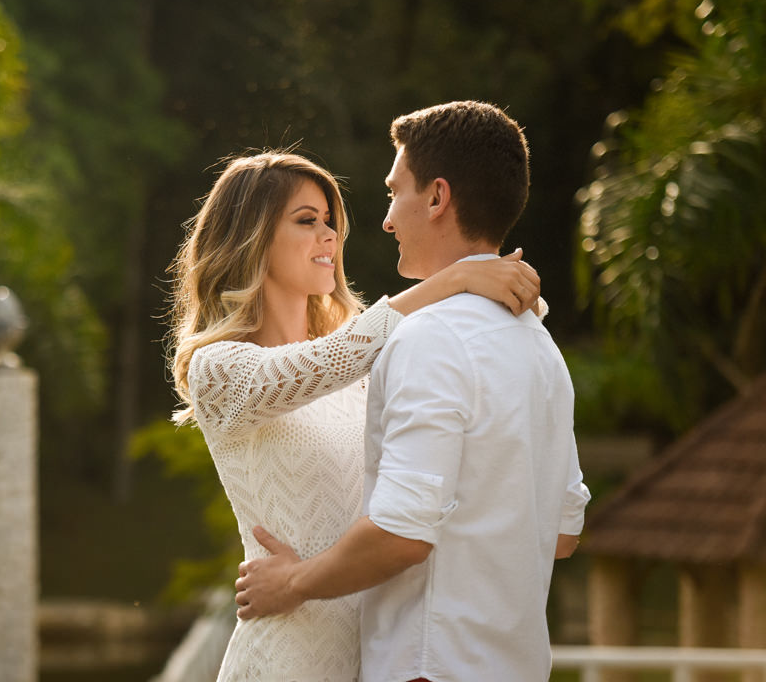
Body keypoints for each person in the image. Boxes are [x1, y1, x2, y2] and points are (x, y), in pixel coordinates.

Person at [233, 103, 591, 681]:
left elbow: (402, 535)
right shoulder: (539, 347)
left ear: (436, 198)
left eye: (394, 192)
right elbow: (563, 534)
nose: (386, 220)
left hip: (431, 667)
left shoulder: (430, 337)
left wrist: (292, 582)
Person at [167, 149, 542, 682]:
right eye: (306, 221)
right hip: (288, 656)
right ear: (251, 237)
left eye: (330, 222)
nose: (329, 236)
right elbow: (333, 358)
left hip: (380, 656)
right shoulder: (218, 370)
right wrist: (457, 279)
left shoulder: (367, 366)